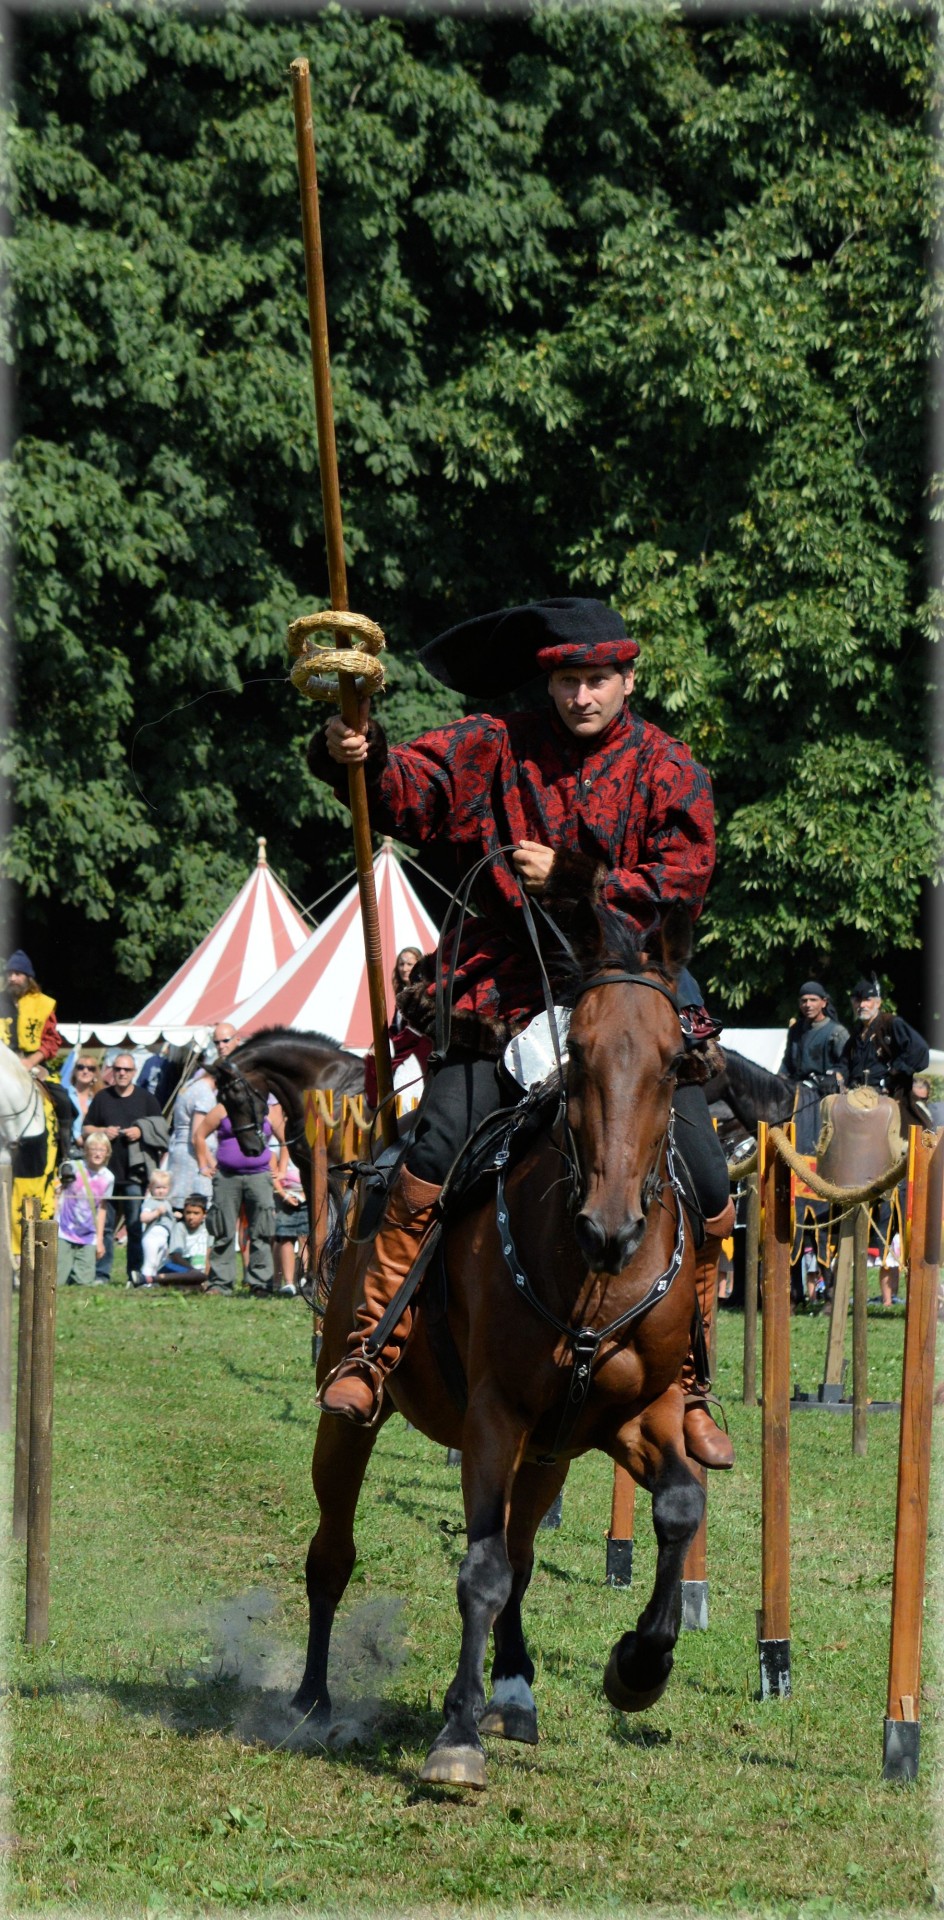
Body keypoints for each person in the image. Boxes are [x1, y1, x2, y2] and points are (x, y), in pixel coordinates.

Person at [308, 596, 732, 1465]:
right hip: (497, 980)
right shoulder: (494, 742)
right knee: (437, 1150)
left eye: (598, 680)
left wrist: (576, 878)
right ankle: (373, 1348)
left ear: (628, 679)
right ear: (552, 682)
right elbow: (409, 794)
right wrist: (361, 751)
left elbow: (684, 881)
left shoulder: (669, 767)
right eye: (569, 680)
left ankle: (688, 1379)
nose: (582, 696)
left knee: (709, 1169)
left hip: (632, 981)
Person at [82, 1052, 166, 1284]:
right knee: (105, 1227)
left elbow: (161, 1131)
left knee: (134, 1226)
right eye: (118, 1069)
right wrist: (102, 1131)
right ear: (112, 1070)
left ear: (134, 1072)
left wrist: (141, 1131)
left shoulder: (147, 1099)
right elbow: (85, 1129)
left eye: (126, 1070)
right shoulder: (102, 1098)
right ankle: (102, 1274)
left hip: (134, 1175)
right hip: (105, 1174)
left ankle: (134, 1274)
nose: (121, 1073)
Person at [193, 1088, 286, 1296]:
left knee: (261, 1230)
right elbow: (199, 1136)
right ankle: (220, 1283)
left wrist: (282, 1168)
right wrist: (204, 1165)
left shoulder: (268, 1111)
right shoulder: (222, 1109)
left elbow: (285, 1139)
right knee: (222, 1229)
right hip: (226, 1177)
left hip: (260, 1176)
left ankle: (260, 1283)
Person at [165, 1025, 237, 1207]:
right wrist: (210, 1165)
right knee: (192, 1206)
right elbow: (197, 1136)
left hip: (181, 1150)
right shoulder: (205, 1093)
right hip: (193, 1158)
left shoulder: (192, 1083)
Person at [364, 948, 433, 1110]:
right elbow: (395, 1026)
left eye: (409, 964)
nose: (404, 968)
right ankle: (376, 1108)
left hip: (418, 1047)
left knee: (404, 1080)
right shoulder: (403, 993)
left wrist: (392, 1045)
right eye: (401, 964)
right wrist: (380, 1042)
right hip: (404, 1043)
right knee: (372, 1059)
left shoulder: (424, 992)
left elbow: (416, 1029)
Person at [839, 978, 929, 1094]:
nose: (862, 1005)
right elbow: (843, 1063)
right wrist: (836, 1077)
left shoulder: (891, 1023)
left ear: (878, 1002)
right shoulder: (856, 1032)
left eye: (867, 1000)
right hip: (857, 1095)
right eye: (858, 1000)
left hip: (887, 1096)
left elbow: (919, 1050)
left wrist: (894, 1073)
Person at [56, 1132, 113, 1288]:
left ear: (107, 1152)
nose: (97, 1153)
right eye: (93, 1149)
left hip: (88, 1234)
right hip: (64, 1230)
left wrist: (99, 1240)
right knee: (56, 1282)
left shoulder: (108, 1178)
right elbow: (57, 1192)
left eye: (101, 1150)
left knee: (85, 1283)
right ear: (86, 1151)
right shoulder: (73, 1168)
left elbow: (102, 1209)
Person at [0, 949, 63, 1066]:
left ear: (28, 978)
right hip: (2, 1064)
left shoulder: (43, 1003)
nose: (12, 978)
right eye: (9, 974)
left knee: (53, 1085)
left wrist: (30, 1061)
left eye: (17, 974)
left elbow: (52, 1040)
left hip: (32, 1064)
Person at [271, 1145, 309, 1297]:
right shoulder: (284, 1146)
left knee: (305, 1239)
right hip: (285, 1196)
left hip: (306, 1196)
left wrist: (306, 1194)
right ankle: (288, 1283)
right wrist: (284, 1195)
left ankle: (305, 1278)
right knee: (286, 1239)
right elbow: (276, 1174)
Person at [153, 1193, 211, 1286]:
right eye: (188, 1212)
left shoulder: (208, 1229)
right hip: (180, 1268)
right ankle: (151, 1279)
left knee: (197, 1281)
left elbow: (210, 1254)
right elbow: (176, 1256)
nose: (191, 1217)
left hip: (200, 1273)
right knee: (192, 1276)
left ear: (204, 1214)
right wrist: (193, 1271)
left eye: (196, 1213)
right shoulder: (180, 1227)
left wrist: (205, 1274)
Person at [138, 1169, 175, 1284]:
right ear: (151, 1188)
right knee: (150, 1261)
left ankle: (154, 1281)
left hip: (164, 1237)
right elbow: (143, 1217)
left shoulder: (167, 1203)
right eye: (158, 1188)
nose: (161, 1191)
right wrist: (156, 1213)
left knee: (159, 1262)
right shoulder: (150, 1202)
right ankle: (144, 1281)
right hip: (152, 1236)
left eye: (164, 1188)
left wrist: (174, 1216)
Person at [66, 1053, 103, 1149]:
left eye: (91, 1068)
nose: (85, 1071)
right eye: (80, 1067)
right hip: (67, 1147)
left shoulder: (99, 1099)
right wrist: (77, 1137)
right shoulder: (65, 1095)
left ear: (95, 1073)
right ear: (75, 1071)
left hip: (93, 1149)